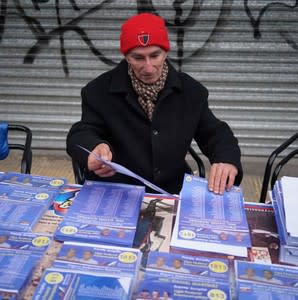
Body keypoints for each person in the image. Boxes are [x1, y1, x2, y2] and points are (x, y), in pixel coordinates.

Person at [67, 13, 242, 195]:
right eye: (138, 58)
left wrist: (226, 159)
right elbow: (81, 132)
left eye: (155, 55)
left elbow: (216, 133)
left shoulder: (191, 92)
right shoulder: (98, 91)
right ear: (126, 56)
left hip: (171, 191)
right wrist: (94, 148)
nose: (148, 67)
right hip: (117, 191)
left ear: (166, 51)